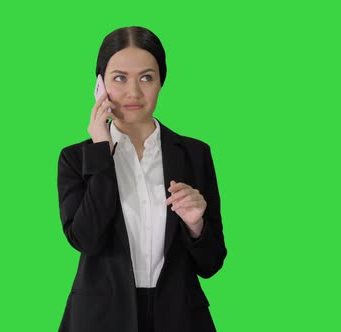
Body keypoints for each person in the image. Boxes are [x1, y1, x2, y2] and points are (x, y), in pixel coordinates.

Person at [57, 26, 227, 332]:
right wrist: (100, 152)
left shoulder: (194, 154)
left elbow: (212, 263)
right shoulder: (75, 159)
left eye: (146, 77)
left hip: (180, 318)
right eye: (119, 78)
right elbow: (86, 239)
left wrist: (196, 225)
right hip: (100, 319)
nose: (133, 92)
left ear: (162, 81)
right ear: (100, 84)